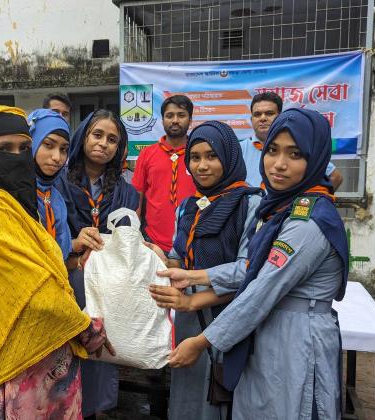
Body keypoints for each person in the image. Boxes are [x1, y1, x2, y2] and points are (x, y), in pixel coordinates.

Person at [164, 108, 349, 419]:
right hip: (265, 330)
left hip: (292, 338)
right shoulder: (280, 208)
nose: (279, 164)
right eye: (272, 150)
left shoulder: (306, 221)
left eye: (295, 154)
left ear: (316, 157)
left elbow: (260, 289)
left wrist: (201, 340)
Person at [0, 105, 112, 420]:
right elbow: (34, 290)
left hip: (45, 347)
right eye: (3, 149)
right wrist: (86, 329)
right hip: (11, 358)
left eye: (23, 148)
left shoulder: (14, 197)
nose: (17, 157)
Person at [148, 121, 263, 420]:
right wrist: (154, 256)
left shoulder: (250, 203)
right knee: (189, 394)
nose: (202, 166)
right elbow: (177, 259)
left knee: (221, 394)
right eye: (195, 157)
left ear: (229, 157)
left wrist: (193, 280)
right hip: (188, 319)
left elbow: (249, 271)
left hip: (228, 316)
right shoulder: (188, 207)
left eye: (212, 156)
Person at [63, 109, 140, 419]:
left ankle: (93, 410)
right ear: (83, 137)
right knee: (63, 354)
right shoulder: (57, 183)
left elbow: (130, 238)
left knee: (98, 351)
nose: (103, 144)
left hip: (105, 286)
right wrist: (74, 243)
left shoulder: (126, 192)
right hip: (67, 279)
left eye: (112, 140)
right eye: (97, 135)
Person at [132, 95, 197, 252]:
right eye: (169, 116)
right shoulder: (147, 154)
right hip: (153, 242)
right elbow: (137, 197)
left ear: (190, 120)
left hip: (193, 241)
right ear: (162, 120)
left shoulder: (198, 153)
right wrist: (135, 234)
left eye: (181, 115)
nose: (175, 120)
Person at [241, 92, 343, 190]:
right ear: (251, 119)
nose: (263, 118)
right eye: (257, 114)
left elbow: (335, 177)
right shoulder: (238, 150)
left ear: (280, 117)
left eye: (269, 113)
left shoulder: (300, 145)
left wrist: (308, 199)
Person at [28, 108, 74, 258]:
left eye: (63, 149)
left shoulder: (55, 196)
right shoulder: (16, 194)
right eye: (48, 145)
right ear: (31, 143)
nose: (57, 157)